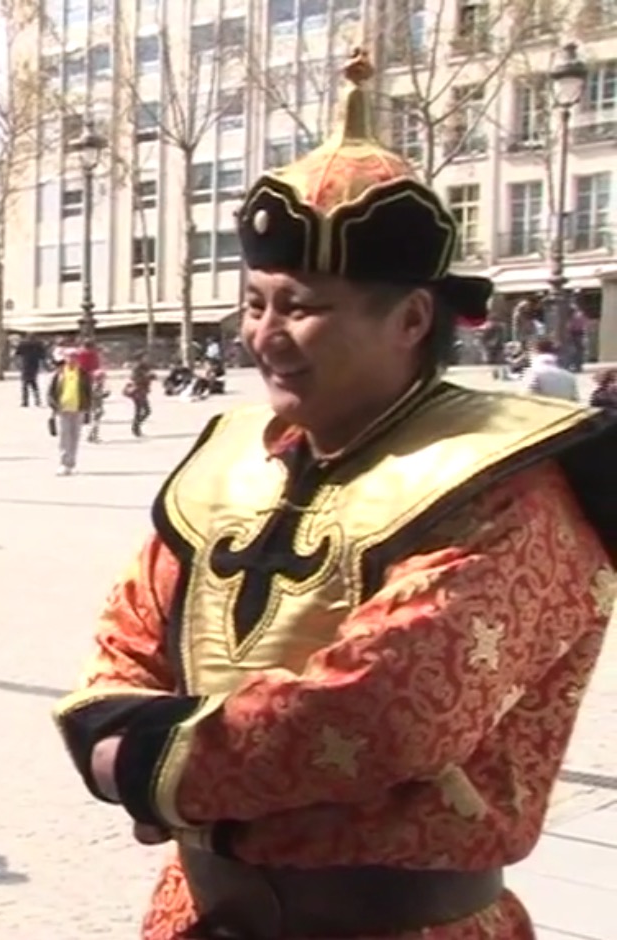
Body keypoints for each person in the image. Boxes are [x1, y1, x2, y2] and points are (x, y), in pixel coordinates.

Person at [52, 51, 617, 940]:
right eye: (254, 303)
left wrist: (150, 763)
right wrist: (105, 728)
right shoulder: (227, 460)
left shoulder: (508, 485)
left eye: (301, 307)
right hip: (196, 914)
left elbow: (389, 709)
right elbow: (127, 635)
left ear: (411, 319)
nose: (265, 337)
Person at [46, 349, 93, 475]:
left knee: (74, 437)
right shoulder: (59, 373)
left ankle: (71, 463)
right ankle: (64, 463)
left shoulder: (83, 374)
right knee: (64, 436)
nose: (72, 359)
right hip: (63, 409)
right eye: (69, 357)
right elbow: (51, 392)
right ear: (65, 358)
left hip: (78, 409)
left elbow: (89, 392)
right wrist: (54, 406)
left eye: (74, 357)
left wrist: (88, 408)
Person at [523, 337, 579, 402]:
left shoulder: (532, 373)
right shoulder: (570, 376)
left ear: (534, 351)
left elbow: (526, 400)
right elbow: (576, 403)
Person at [14, 334, 48, 407]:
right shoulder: (38, 344)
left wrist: (17, 364)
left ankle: (25, 401)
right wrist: (45, 365)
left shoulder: (23, 344)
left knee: (25, 384)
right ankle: (37, 400)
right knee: (33, 382)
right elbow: (43, 355)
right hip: (34, 364)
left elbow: (17, 354)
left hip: (25, 364)